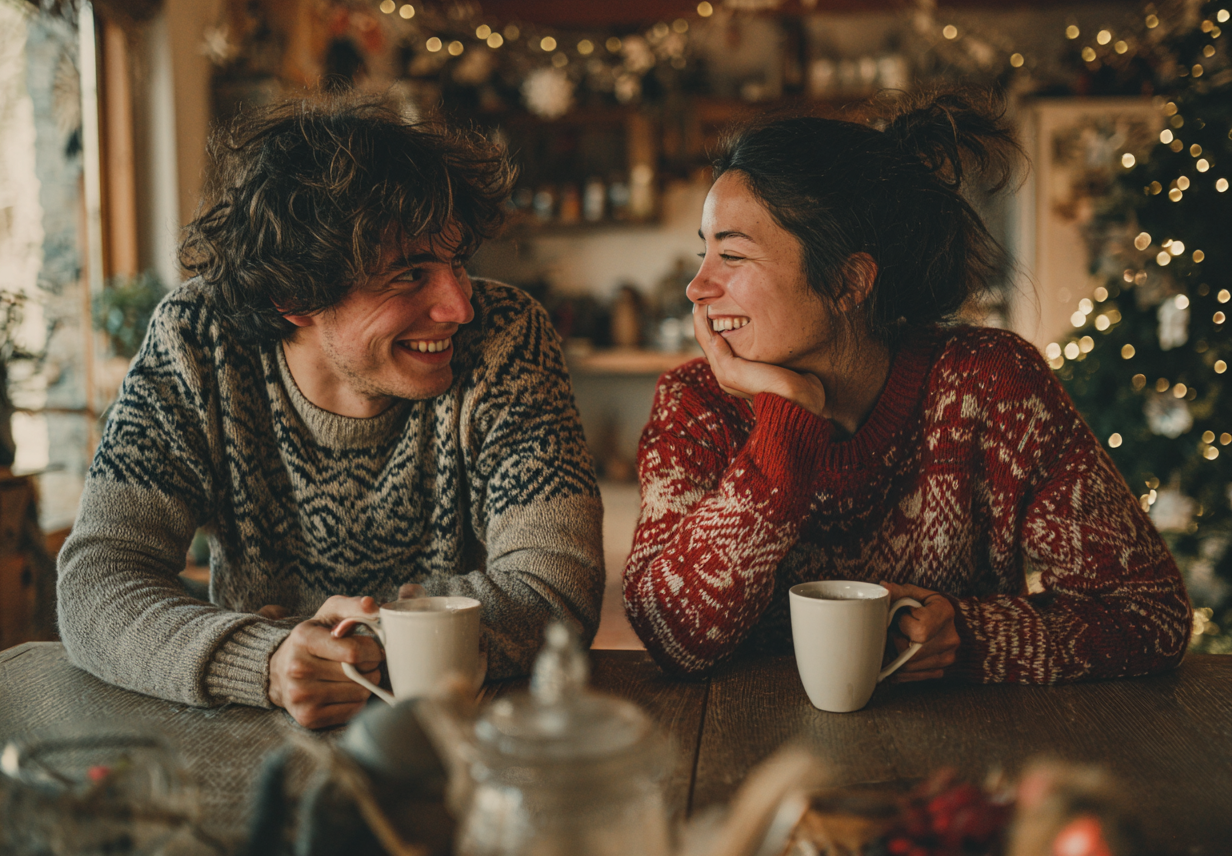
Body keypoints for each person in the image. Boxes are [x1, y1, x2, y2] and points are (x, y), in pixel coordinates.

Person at [58, 95, 604, 728]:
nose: (459, 305)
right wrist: (266, 660)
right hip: (251, 732)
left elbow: (556, 590)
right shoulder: (196, 341)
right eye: (409, 274)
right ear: (296, 294)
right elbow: (96, 580)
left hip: (463, 734)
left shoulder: (508, 337)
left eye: (457, 261)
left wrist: (354, 640)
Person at [623, 91, 1191, 683]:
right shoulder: (697, 403)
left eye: (732, 255)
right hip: (749, 749)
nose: (697, 287)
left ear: (848, 281)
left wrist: (972, 639)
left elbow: (1150, 613)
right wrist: (785, 426)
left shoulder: (991, 385)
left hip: (963, 752)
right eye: (703, 251)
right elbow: (672, 637)